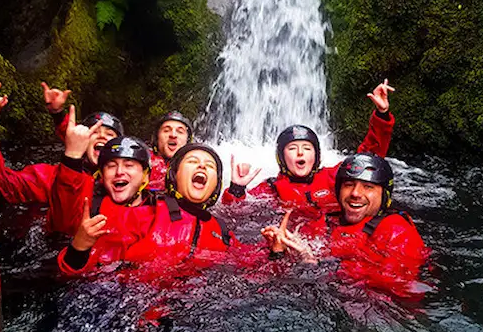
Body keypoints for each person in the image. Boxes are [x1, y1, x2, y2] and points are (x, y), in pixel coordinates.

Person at [58, 142, 238, 276]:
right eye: (192, 161)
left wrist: (237, 190)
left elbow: (245, 263)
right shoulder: (147, 211)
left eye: (210, 166)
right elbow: (97, 266)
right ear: (174, 175)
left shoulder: (221, 231)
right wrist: (78, 249)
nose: (202, 166)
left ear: (216, 183)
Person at [264, 152, 429, 297]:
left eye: (368, 187)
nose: (356, 193)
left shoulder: (396, 229)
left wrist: (322, 266)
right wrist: (278, 252)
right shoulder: (326, 222)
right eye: (349, 185)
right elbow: (275, 279)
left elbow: (400, 287)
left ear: (384, 195)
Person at [223, 80, 395, 210]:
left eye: (307, 148)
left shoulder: (333, 177)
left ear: (316, 155)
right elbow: (236, 212)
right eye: (292, 149)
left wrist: (382, 115)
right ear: (282, 158)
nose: (300, 153)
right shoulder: (272, 188)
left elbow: (368, 158)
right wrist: (237, 189)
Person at [0, 84, 123, 233]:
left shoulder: (127, 181)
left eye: (110, 134)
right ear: (83, 140)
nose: (102, 136)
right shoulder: (48, 178)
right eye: (95, 132)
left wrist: (58, 115)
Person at [149, 111, 193, 188]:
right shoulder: (143, 163)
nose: (173, 135)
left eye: (180, 132)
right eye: (166, 130)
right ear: (157, 138)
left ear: (187, 140)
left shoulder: (196, 168)